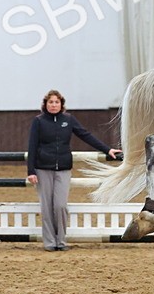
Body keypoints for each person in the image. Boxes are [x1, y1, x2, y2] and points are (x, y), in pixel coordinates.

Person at [26, 90, 121, 251]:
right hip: (43, 169)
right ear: (45, 104)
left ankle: (61, 241)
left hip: (63, 169)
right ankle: (50, 242)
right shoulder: (39, 121)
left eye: (56, 102)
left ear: (61, 104)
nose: (54, 105)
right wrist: (31, 171)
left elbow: (86, 135)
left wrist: (107, 150)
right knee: (46, 208)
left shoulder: (68, 120)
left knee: (60, 206)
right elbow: (32, 145)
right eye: (51, 102)